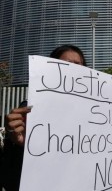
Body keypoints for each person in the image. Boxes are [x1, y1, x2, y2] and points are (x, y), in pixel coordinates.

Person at [1, 44, 86, 191]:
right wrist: (17, 144)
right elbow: (11, 180)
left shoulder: (95, 113)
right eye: (65, 65)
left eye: (78, 65)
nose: (72, 70)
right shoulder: (29, 110)